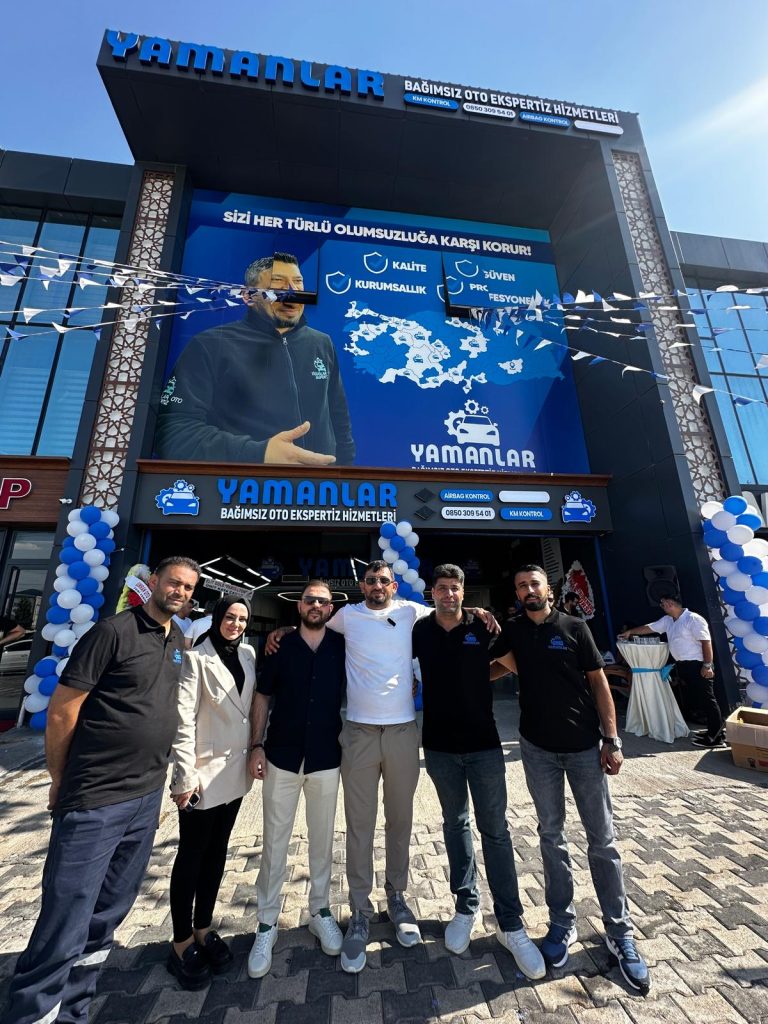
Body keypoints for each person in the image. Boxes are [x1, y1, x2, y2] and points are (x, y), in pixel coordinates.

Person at [267, 559, 498, 974]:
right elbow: (312, 622)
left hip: (403, 731)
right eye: (371, 580)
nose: (378, 585)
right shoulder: (347, 616)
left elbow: (449, 610)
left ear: (393, 585)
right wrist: (282, 630)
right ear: (363, 585)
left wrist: (477, 611)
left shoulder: (412, 612)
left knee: (400, 821)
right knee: (359, 823)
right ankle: (360, 909)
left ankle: (397, 897)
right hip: (358, 733)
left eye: (384, 580)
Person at [4, 556, 200, 1024]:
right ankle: (33, 1011)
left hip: (145, 796)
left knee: (110, 910)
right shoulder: (112, 632)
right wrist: (60, 779)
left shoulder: (177, 640)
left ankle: (74, 1006)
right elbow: (62, 710)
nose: (180, 592)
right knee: (67, 912)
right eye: (174, 583)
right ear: (154, 582)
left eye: (189, 588)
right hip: (95, 796)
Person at [493, 564, 650, 995]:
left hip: (584, 748)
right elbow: (491, 666)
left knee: (603, 840)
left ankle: (619, 932)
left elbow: (599, 684)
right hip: (536, 749)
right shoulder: (513, 631)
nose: (528, 590)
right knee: (551, 836)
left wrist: (611, 739)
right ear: (516, 593)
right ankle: (561, 924)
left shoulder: (575, 627)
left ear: (549, 589)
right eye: (521, 585)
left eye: (534, 584)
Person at [412, 565, 545, 979]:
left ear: (463, 591)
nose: (448, 594)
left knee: (495, 830)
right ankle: (465, 907)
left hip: (485, 745)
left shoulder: (482, 626)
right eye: (442, 588)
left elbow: (513, 664)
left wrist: (479, 675)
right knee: (455, 825)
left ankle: (510, 923)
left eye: (455, 588)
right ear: (432, 592)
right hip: (439, 747)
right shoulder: (419, 630)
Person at [154, 252, 355, 466]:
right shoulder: (210, 344)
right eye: (277, 284)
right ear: (248, 296)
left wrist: (344, 473)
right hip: (243, 485)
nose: (292, 293)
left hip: (320, 484)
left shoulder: (322, 343)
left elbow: (339, 419)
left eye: (298, 283)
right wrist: (259, 454)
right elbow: (173, 433)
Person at [247, 580, 346, 978]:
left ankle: (320, 911)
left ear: (330, 608)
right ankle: (267, 922)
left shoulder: (343, 645)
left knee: (323, 840)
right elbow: (262, 695)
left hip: (326, 757)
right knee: (275, 842)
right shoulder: (280, 646)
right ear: (299, 605)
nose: (316, 605)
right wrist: (256, 744)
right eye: (309, 600)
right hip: (282, 757)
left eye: (323, 601)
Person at [167, 597, 256, 989]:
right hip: (202, 775)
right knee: (192, 854)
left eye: (242, 619)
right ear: (216, 618)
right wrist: (184, 776)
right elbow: (183, 720)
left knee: (218, 849)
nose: (235, 624)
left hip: (235, 774)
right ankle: (181, 940)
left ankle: (203, 927)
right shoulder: (195, 659)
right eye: (229, 617)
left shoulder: (249, 655)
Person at [618, 593, 723, 748]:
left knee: (707, 699)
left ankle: (716, 737)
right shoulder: (668, 621)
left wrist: (707, 665)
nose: (663, 606)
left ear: (672, 603)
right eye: (662, 604)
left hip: (697, 664)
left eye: (665, 603)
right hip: (683, 665)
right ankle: (712, 731)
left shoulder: (693, 619)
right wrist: (630, 632)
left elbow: (706, 642)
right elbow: (650, 627)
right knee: (697, 699)